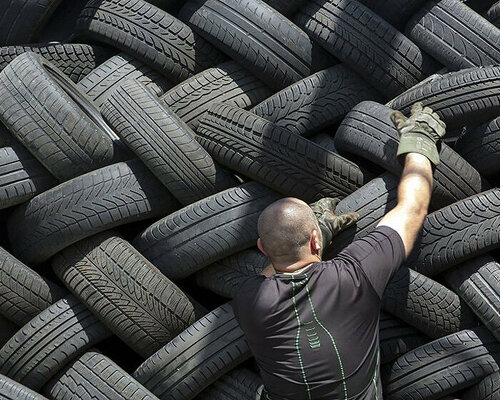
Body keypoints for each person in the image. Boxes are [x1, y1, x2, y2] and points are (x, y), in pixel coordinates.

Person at [232, 103, 446, 400]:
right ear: (316, 243)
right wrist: (419, 139)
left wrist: (317, 230)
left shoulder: (246, 299)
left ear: (261, 248)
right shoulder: (355, 274)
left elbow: (270, 272)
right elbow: (413, 208)